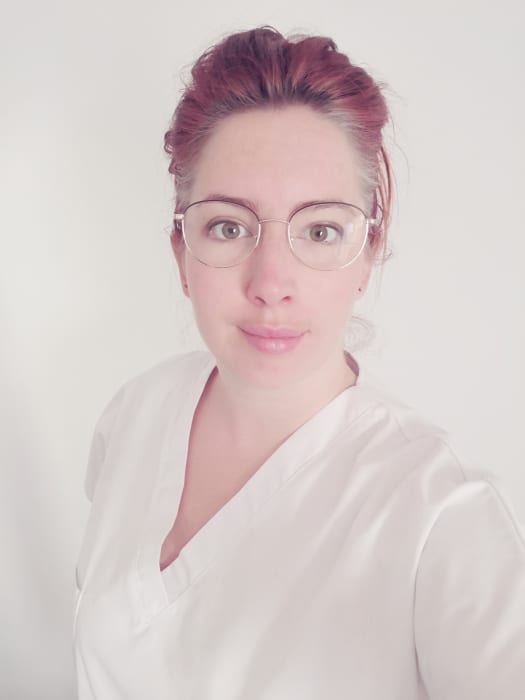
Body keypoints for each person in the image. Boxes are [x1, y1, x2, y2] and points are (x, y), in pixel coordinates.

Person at [73, 27, 525, 699]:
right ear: (181, 253)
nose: (271, 283)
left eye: (319, 230)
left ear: (367, 256)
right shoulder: (134, 414)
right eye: (229, 226)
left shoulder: (444, 518)